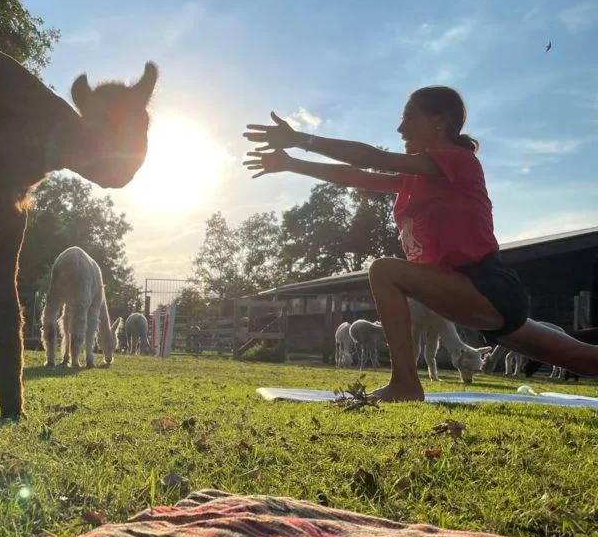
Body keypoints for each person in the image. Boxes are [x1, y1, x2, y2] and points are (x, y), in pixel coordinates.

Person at [243, 86, 598, 401]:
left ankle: (405, 384)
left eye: (408, 118)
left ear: (438, 122)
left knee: (384, 271)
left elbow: (370, 158)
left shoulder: (457, 161)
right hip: (469, 296)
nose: (400, 129)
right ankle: (405, 382)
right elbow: (355, 175)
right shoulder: (414, 177)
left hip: (487, 288)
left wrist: (302, 139)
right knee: (586, 359)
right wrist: (291, 163)